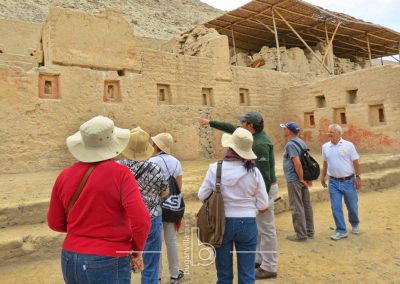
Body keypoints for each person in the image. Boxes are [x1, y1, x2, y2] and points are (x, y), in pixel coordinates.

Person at [47, 115, 151, 284]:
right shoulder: (121, 174)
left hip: (70, 257)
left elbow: (55, 223)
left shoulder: (64, 175)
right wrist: (137, 250)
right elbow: (142, 220)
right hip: (108, 259)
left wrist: (84, 229)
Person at [199, 111, 279, 279]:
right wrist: (253, 205)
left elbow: (202, 195)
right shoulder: (253, 170)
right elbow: (262, 202)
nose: (240, 124)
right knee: (247, 274)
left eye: (243, 122)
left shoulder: (216, 168)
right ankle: (260, 260)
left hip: (222, 222)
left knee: (224, 274)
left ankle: (269, 264)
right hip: (247, 221)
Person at [118, 127, 169, 284]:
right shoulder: (155, 168)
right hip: (151, 218)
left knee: (121, 262)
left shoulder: (119, 167)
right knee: (151, 262)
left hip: (125, 219)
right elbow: (165, 192)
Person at [149, 132, 184, 284]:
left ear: (157, 145)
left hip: (155, 205)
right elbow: (179, 186)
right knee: (171, 239)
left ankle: (156, 275)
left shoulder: (151, 162)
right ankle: (175, 274)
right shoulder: (176, 162)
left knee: (155, 241)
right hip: (171, 205)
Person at [321, 124, 362, 241]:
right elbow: (325, 162)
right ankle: (341, 230)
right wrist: (323, 176)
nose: (329, 134)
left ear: (339, 133)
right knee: (336, 207)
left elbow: (356, 162)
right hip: (333, 182)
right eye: (328, 132)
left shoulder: (348, 146)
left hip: (349, 181)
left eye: (332, 132)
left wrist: (358, 177)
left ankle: (355, 224)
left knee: (352, 207)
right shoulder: (325, 147)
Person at [281, 121, 315, 241]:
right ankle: (309, 230)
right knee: (306, 204)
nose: (283, 130)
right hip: (303, 178)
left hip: (294, 179)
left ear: (289, 131)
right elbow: (307, 162)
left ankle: (301, 234)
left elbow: (297, 162)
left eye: (285, 128)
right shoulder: (301, 142)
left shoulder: (290, 144)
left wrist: (300, 178)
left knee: (296, 206)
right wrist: (306, 178)